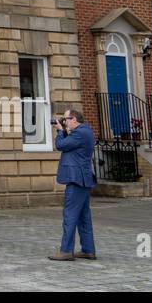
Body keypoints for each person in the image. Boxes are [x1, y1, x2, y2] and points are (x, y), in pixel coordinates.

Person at [48, 108, 97, 261]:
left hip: (77, 180)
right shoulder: (84, 131)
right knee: (83, 216)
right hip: (82, 179)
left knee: (69, 215)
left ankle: (66, 251)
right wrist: (64, 129)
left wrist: (60, 131)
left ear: (74, 119)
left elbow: (61, 145)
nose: (65, 121)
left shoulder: (80, 133)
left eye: (66, 119)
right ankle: (88, 250)